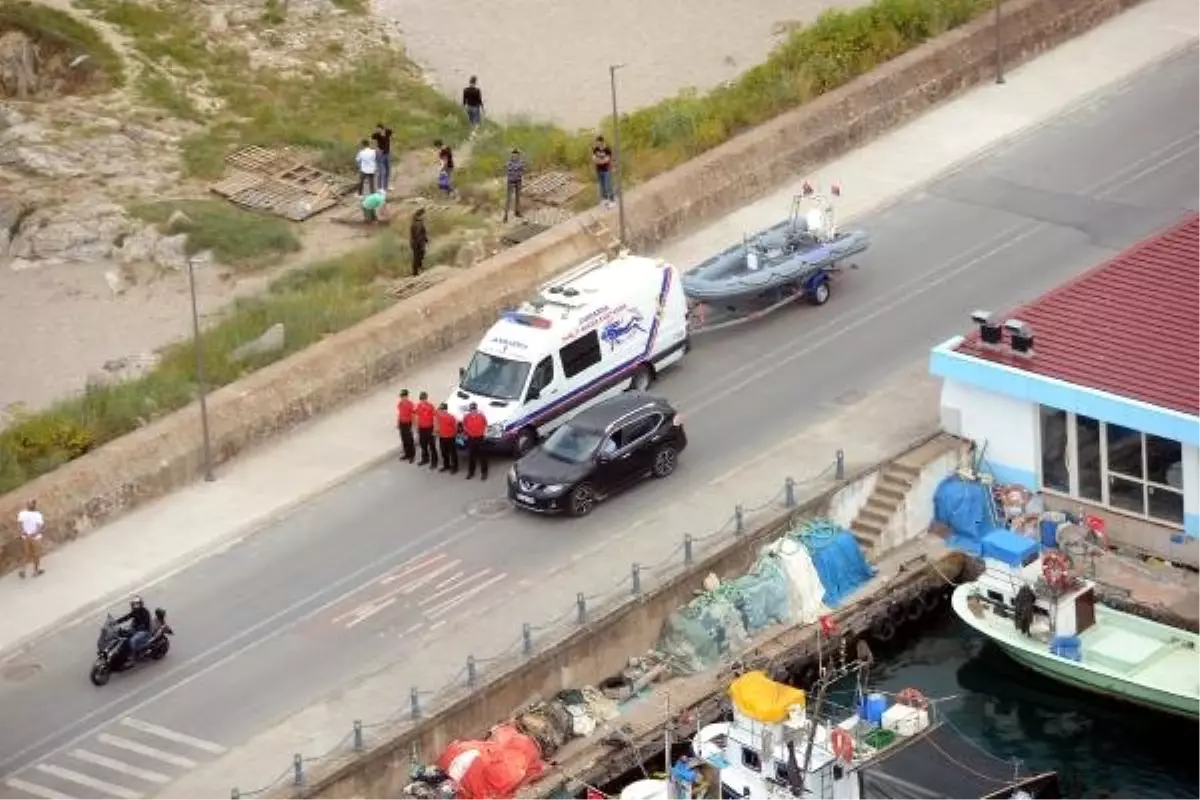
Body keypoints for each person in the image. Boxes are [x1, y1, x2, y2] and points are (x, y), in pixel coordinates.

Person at [116, 595, 153, 660]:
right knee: (122, 634)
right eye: (134, 604)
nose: (135, 606)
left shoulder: (145, 612)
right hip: (136, 629)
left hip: (145, 631)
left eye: (137, 604)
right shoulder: (135, 612)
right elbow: (126, 617)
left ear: (140, 604)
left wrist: (135, 629)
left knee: (132, 640)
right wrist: (116, 622)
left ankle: (132, 657)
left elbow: (144, 624)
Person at [17, 498, 45, 578]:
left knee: (27, 554)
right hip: (35, 537)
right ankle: (35, 571)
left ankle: (24, 570)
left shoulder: (23, 514)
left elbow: (20, 525)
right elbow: (39, 527)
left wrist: (24, 533)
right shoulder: (37, 515)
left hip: (27, 537)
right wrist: (33, 534)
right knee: (35, 554)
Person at [462, 402, 489, 480]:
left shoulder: (481, 416)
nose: (473, 411)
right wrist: (466, 431)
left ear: (476, 409)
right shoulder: (467, 417)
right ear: (470, 410)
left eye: (474, 409)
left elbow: (486, 425)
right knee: (471, 456)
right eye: (471, 409)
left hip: (480, 438)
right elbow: (464, 425)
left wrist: (483, 433)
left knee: (482, 456)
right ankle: (471, 472)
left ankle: (484, 473)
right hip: (471, 438)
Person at [435, 402, 460, 474]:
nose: (441, 411)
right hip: (442, 437)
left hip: (450, 437)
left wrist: (454, 434)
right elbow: (436, 411)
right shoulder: (439, 415)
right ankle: (446, 465)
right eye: (441, 409)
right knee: (444, 452)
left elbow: (455, 427)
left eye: (442, 409)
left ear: (446, 410)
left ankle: (455, 467)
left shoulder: (451, 417)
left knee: (453, 453)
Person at [415, 391, 437, 469]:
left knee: (432, 446)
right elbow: (417, 416)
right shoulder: (419, 406)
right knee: (423, 445)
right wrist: (417, 427)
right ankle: (425, 459)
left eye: (424, 399)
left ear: (426, 399)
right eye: (421, 399)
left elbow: (434, 417)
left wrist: (434, 429)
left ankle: (434, 462)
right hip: (422, 428)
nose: (422, 400)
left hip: (429, 428)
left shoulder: (430, 406)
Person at [503, 148, 525, 223]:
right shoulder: (509, 163)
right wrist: (517, 170)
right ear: (512, 155)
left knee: (518, 198)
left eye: (516, 154)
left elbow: (522, 170)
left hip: (518, 181)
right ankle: (505, 216)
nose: (515, 156)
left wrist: (519, 173)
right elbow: (508, 171)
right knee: (509, 199)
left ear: (518, 155)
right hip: (511, 181)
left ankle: (517, 212)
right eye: (514, 154)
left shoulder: (520, 162)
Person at [592, 135, 614, 206]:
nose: (597, 144)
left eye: (598, 142)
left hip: (607, 170)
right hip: (599, 170)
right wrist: (600, 160)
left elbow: (607, 160)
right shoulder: (595, 149)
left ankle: (611, 200)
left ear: (602, 142)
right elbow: (594, 159)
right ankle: (604, 200)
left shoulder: (607, 149)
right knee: (602, 186)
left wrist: (599, 161)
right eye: (596, 142)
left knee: (608, 185)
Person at [396, 389, 416, 463]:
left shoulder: (410, 404)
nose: (402, 398)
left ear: (407, 396)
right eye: (401, 396)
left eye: (403, 396)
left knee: (409, 439)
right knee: (404, 439)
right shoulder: (400, 404)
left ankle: (412, 455)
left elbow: (413, 415)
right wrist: (398, 423)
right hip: (402, 423)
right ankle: (407, 454)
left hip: (408, 423)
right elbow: (399, 414)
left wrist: (413, 425)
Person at [372, 123, 393, 189]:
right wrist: (375, 148)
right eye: (377, 129)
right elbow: (372, 138)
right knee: (381, 171)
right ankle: (379, 187)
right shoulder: (377, 135)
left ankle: (386, 186)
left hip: (387, 153)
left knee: (388, 170)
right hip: (380, 154)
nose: (377, 130)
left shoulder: (387, 132)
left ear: (382, 128)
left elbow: (391, 132)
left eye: (378, 129)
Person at [409, 208, 428, 275]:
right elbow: (419, 235)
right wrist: (422, 244)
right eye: (424, 215)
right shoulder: (418, 224)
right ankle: (416, 272)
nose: (425, 216)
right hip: (418, 243)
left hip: (415, 243)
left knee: (417, 257)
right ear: (421, 215)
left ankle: (417, 271)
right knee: (418, 257)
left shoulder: (415, 222)